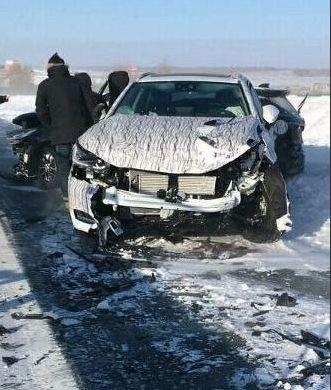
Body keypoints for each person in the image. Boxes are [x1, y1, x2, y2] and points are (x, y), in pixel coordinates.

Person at [35, 53, 90, 197]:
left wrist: (50, 126)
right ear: (64, 67)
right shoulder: (78, 82)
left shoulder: (45, 85)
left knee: (64, 168)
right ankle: (83, 197)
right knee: (82, 167)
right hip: (82, 134)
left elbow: (40, 112)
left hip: (60, 135)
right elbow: (90, 106)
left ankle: (69, 199)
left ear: (50, 68)